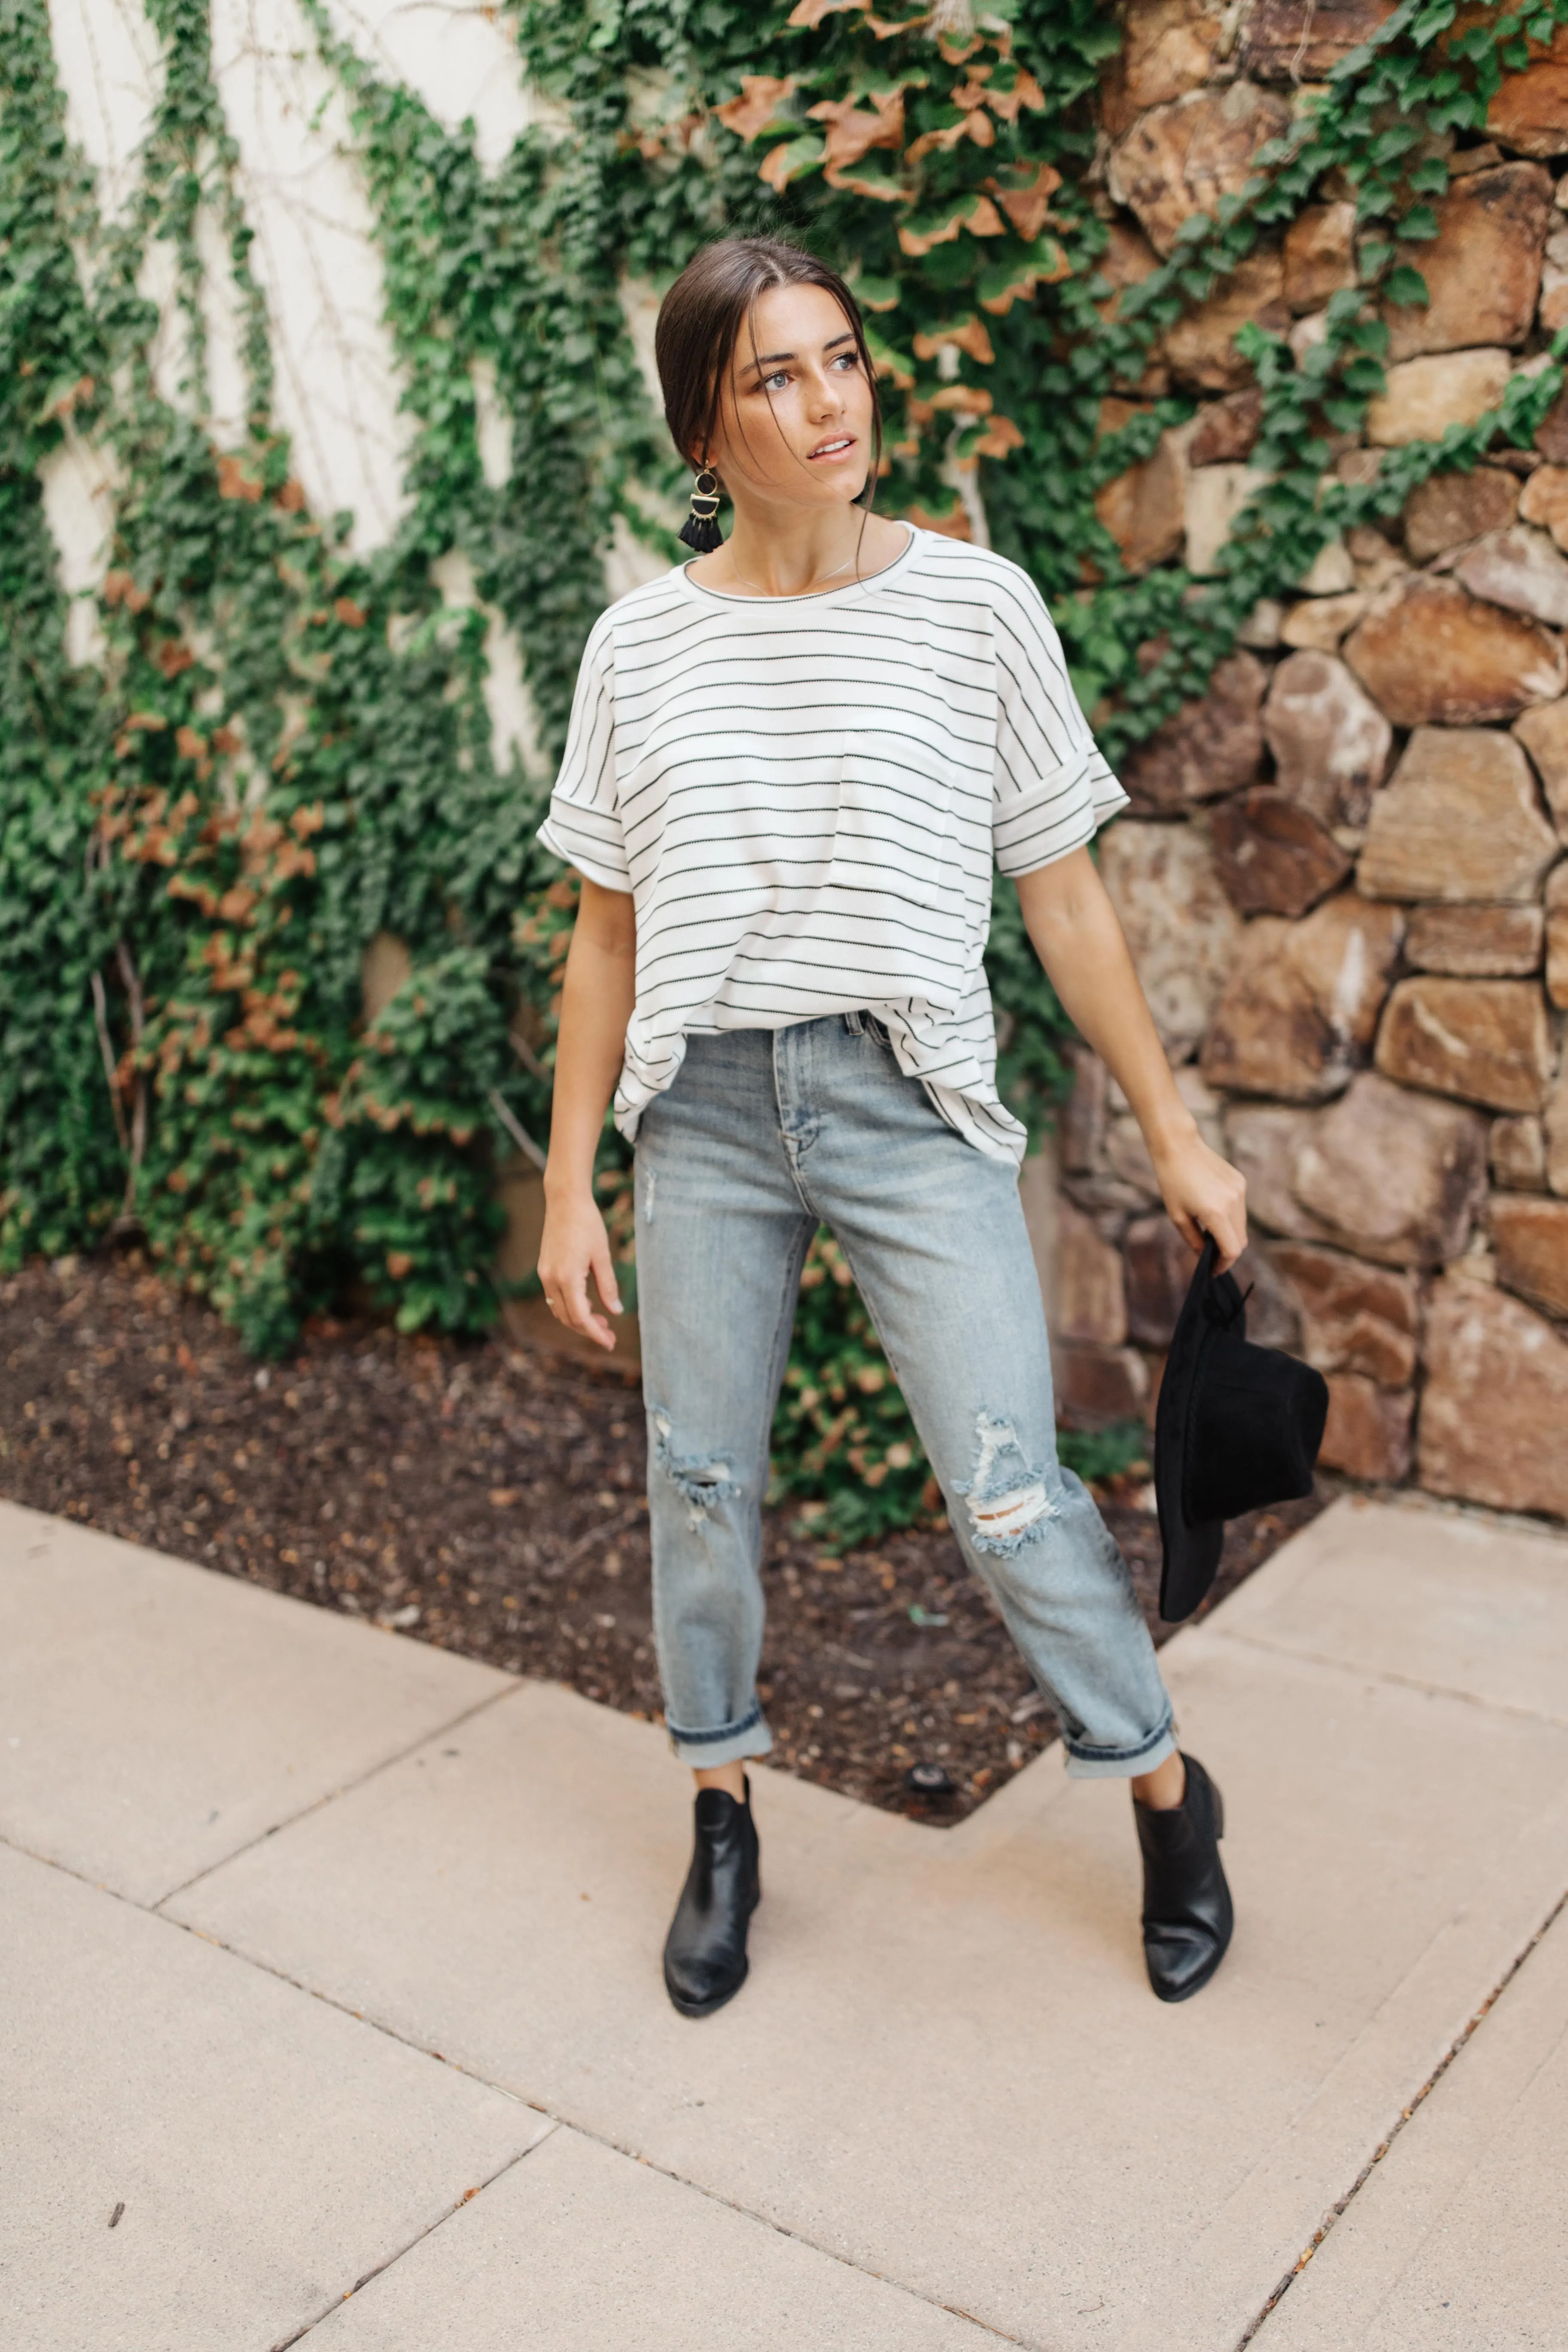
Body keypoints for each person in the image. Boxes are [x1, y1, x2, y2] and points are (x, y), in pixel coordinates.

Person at [535, 236, 1248, 2017]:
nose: (829, 401)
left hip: (910, 1101)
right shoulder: (641, 646)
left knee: (1011, 1497)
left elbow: (1070, 907)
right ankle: (721, 1815)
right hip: (701, 1112)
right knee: (700, 1487)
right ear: (704, 424)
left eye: (840, 359)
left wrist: (1176, 1133)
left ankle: (1163, 1788)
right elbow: (605, 934)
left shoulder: (975, 607)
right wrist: (570, 1184)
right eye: (775, 376)